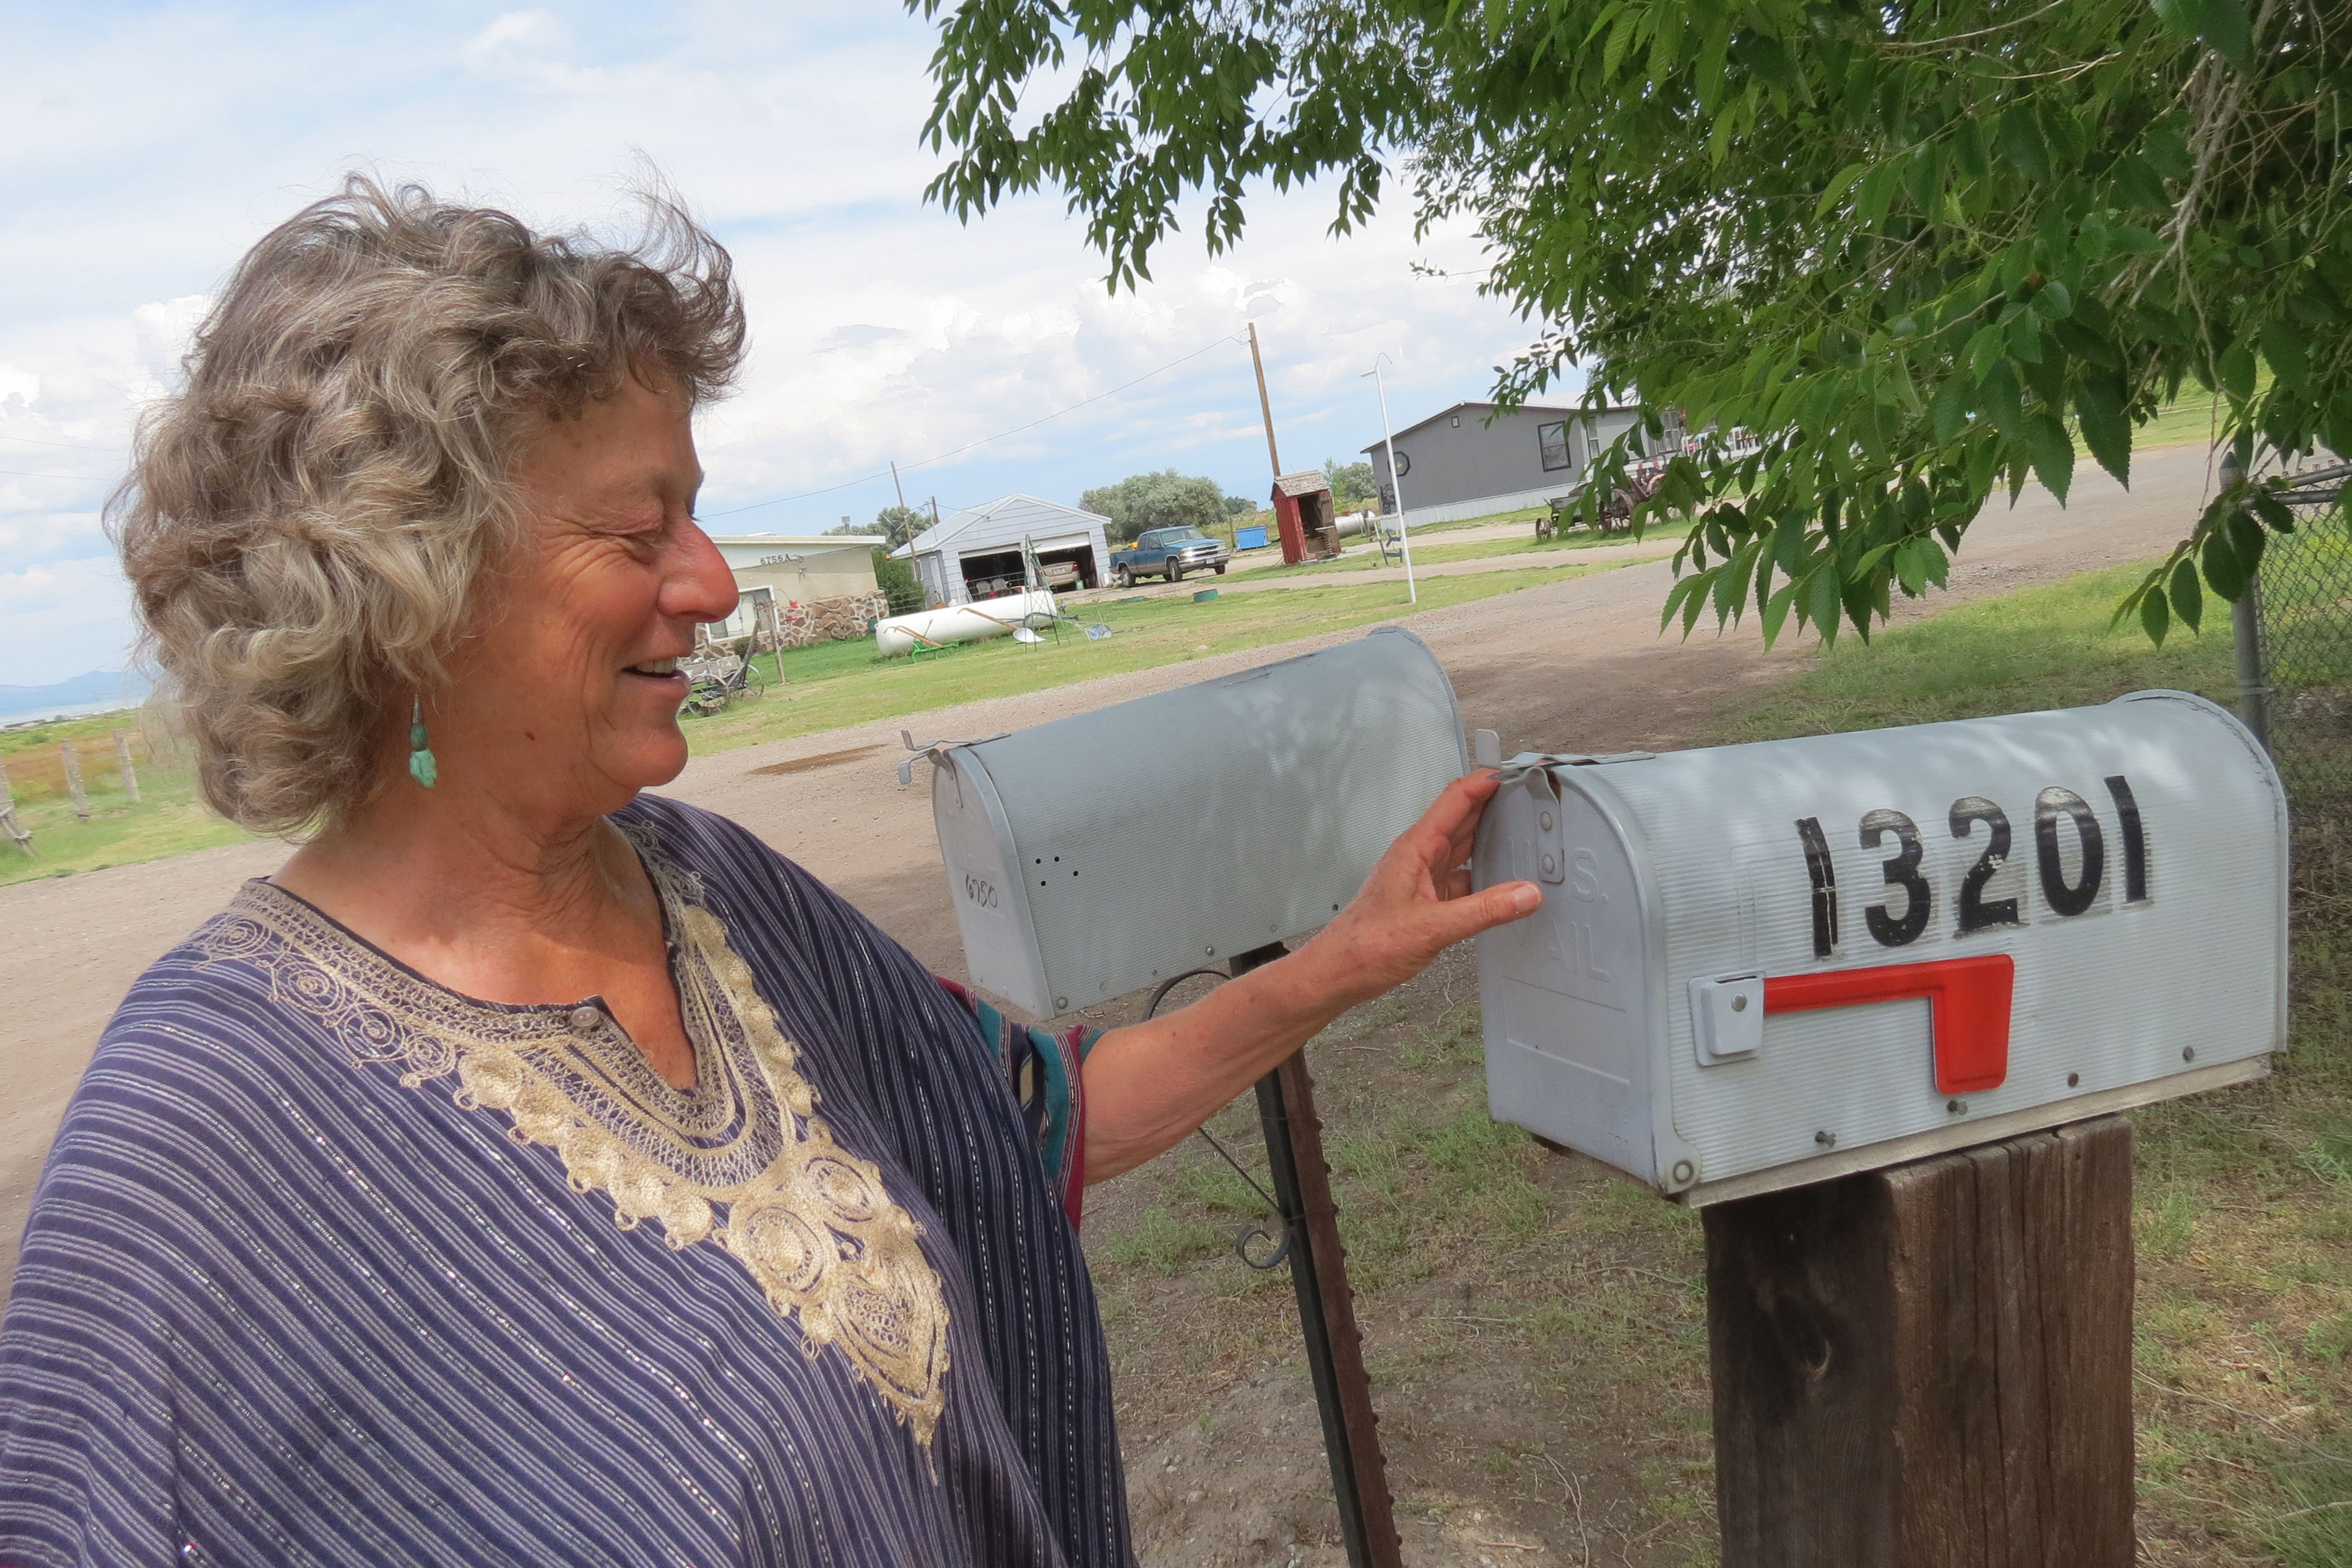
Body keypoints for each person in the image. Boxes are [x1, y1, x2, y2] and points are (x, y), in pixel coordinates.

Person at [0, 179, 1539, 1567]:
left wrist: (1349, 955)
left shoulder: (716, 892)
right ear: (410, 586)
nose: (716, 583)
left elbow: (1018, 1129)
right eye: (636, 525)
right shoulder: (196, 1134)